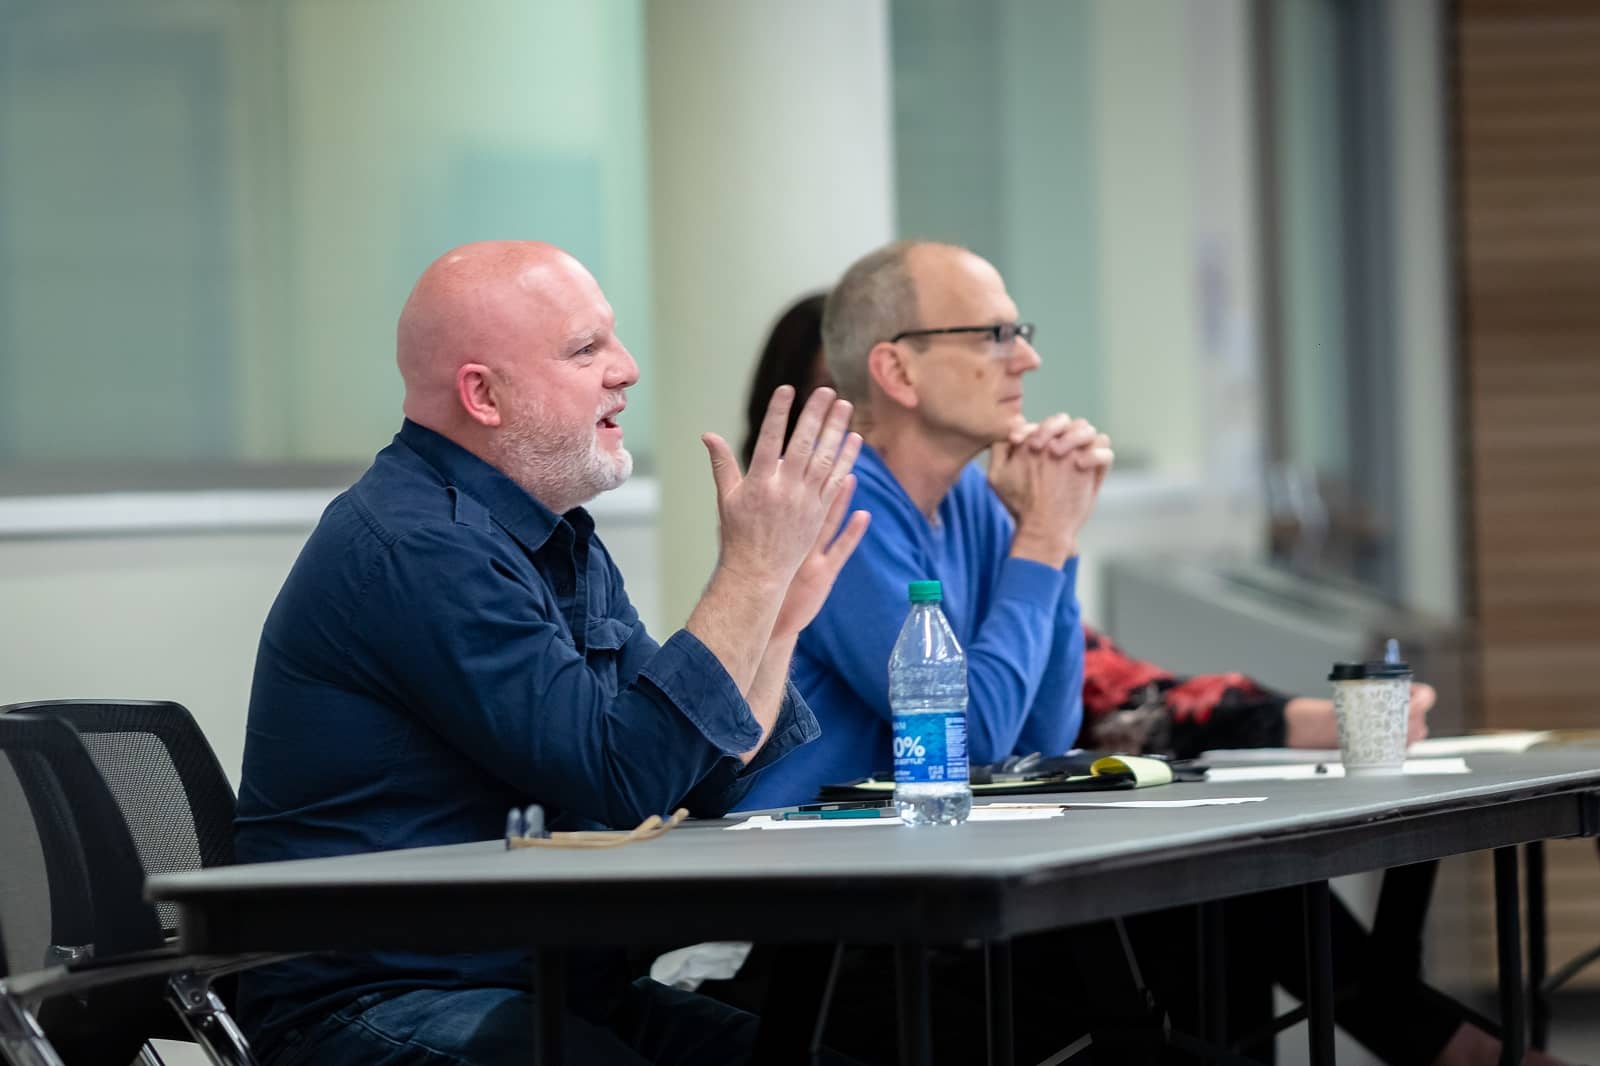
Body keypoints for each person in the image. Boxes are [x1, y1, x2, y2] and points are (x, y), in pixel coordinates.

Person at [726, 249, 1564, 1066]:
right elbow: (969, 736)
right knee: (1182, 935)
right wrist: (1047, 538)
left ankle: (1444, 1045)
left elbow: (1041, 734)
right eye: (992, 334)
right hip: (834, 929)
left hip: (942, 878)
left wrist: (1050, 538)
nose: (1028, 356)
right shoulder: (828, 502)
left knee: (1212, 899)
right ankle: (1449, 1047)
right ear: (898, 372)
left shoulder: (977, 502)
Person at [232, 240, 869, 1066]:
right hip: (381, 1004)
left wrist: (776, 618)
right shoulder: (418, 547)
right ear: (483, 395)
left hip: (543, 990)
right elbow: (622, 777)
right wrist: (747, 568)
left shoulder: (551, 536)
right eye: (586, 349)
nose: (627, 369)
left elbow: (707, 776)